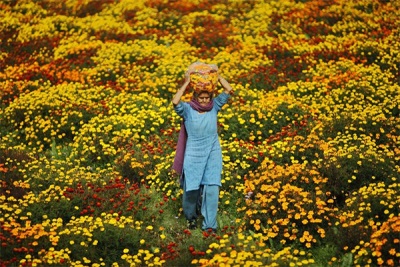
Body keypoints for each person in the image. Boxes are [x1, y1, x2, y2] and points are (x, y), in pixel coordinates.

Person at [171, 63, 233, 233]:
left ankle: (209, 226)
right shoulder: (187, 110)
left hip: (213, 152)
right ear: (196, 97)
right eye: (202, 98)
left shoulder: (215, 107)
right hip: (194, 154)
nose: (205, 101)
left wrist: (216, 76)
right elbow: (175, 102)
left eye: (207, 98)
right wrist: (186, 82)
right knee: (191, 189)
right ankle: (191, 218)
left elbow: (229, 90)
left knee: (212, 188)